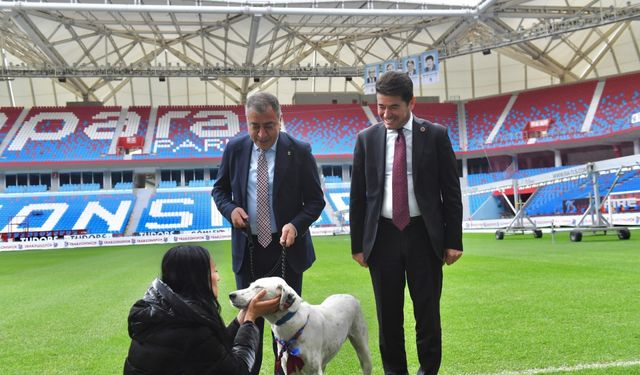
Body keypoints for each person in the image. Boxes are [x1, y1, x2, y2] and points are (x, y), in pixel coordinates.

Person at [349, 71, 463, 375]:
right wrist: (358, 245)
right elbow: (358, 196)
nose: (386, 114)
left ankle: (428, 371)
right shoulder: (366, 139)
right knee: (388, 317)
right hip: (382, 237)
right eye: (380, 107)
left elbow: (450, 192)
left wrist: (454, 241)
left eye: (393, 107)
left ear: (411, 102)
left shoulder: (435, 135)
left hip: (423, 236)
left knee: (427, 313)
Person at [212, 91, 325, 375]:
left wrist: (296, 225)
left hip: (286, 249)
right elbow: (220, 190)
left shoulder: (299, 150)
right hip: (248, 249)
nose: (261, 134)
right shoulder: (235, 148)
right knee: (249, 323)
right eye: (254, 126)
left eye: (269, 126)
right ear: (246, 122)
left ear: (279, 120)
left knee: (287, 326)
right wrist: (231, 210)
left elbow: (315, 200)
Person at [124, 245, 280, 375]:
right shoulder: (191, 329)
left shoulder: (161, 313)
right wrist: (250, 320)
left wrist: (241, 319)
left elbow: (213, 351)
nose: (217, 277)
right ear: (198, 278)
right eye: (214, 271)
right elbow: (239, 371)